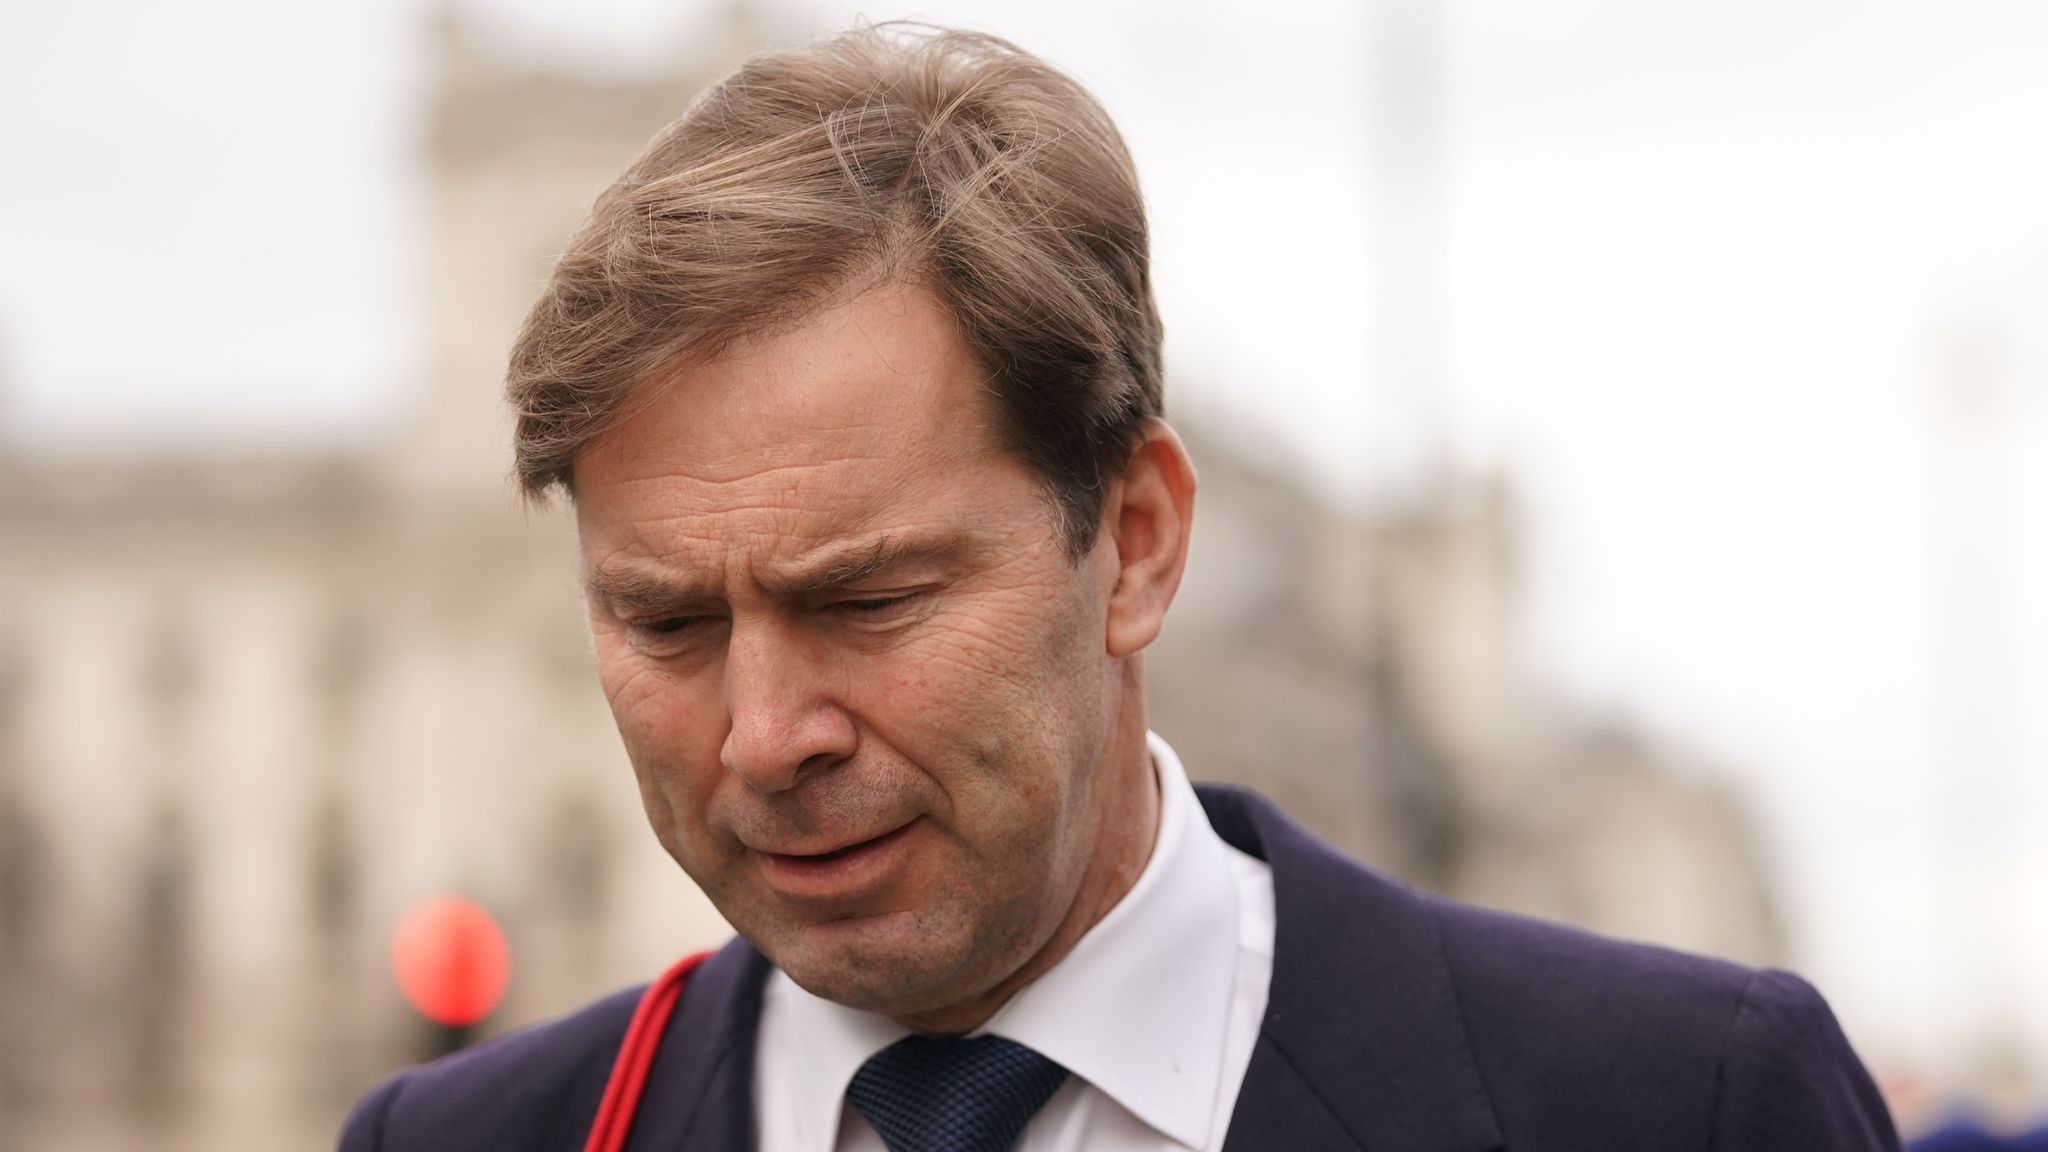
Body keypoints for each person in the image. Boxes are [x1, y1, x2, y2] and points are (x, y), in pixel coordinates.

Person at [341, 24, 1901, 1152]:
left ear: (1137, 540)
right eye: (668, 622)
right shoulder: (459, 1140)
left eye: (868, 601)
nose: (763, 735)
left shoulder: (1683, 1104)